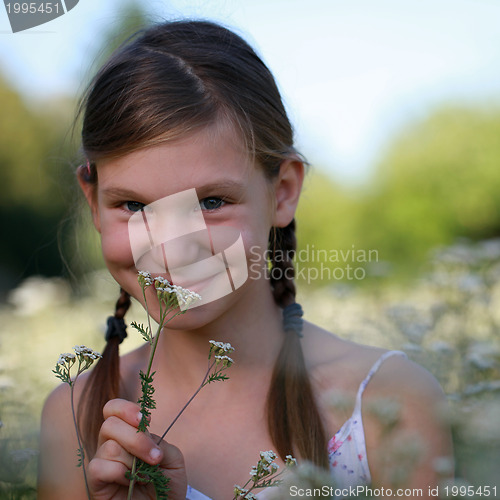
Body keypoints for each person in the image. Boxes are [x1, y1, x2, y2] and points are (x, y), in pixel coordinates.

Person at [37, 19, 453, 500]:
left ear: (283, 192)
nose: (172, 249)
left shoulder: (387, 403)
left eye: (211, 203)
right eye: (133, 206)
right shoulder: (73, 419)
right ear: (92, 202)